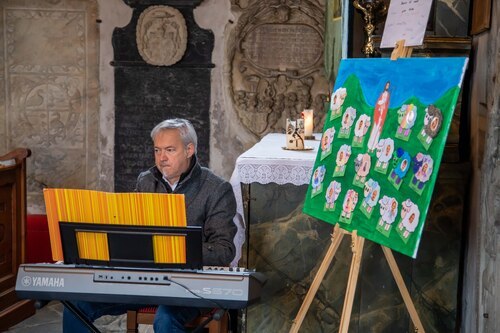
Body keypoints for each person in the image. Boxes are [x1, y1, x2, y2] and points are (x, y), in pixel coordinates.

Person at [63, 118, 237, 332]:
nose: (161, 158)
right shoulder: (145, 181)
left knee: (164, 320)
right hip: (145, 282)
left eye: (170, 150)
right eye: (157, 150)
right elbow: (132, 232)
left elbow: (224, 251)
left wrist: (173, 250)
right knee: (75, 306)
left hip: (191, 286)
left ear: (189, 149)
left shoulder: (217, 189)